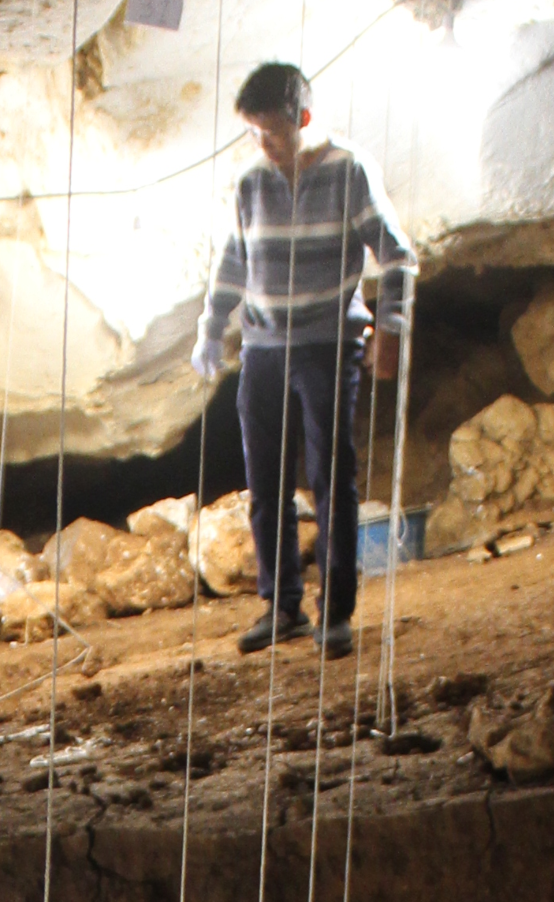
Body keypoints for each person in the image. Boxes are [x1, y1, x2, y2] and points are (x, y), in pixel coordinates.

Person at [190, 61, 416, 659]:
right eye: (253, 134)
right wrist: (211, 329)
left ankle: (335, 610)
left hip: (326, 344)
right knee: (266, 482)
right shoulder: (249, 183)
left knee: (329, 475)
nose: (262, 146)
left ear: (304, 120)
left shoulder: (348, 171)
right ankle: (281, 604)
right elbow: (234, 263)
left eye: (271, 133)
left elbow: (398, 258)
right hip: (263, 348)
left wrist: (391, 330)